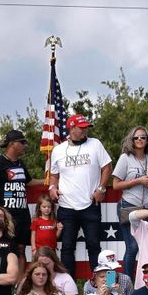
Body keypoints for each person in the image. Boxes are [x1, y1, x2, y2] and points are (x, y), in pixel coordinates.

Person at [46, 113, 112, 274]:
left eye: (86, 128)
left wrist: (101, 189)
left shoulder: (95, 144)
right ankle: (69, 287)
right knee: (67, 247)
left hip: (90, 204)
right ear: (71, 128)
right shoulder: (58, 150)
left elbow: (107, 167)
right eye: (81, 128)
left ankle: (101, 285)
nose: (85, 132)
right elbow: (53, 175)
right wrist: (52, 188)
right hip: (66, 206)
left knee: (94, 245)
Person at [0, 128, 32, 255]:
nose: (25, 146)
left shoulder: (20, 163)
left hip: (23, 216)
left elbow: (29, 182)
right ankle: (5, 275)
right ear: (12, 144)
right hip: (6, 217)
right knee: (6, 250)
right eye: (22, 142)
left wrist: (49, 181)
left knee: (21, 249)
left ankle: (19, 276)